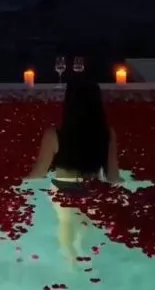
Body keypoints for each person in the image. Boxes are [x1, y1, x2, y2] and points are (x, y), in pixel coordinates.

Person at [26, 74, 120, 261]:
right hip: (92, 189)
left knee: (66, 222)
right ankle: (87, 260)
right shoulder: (106, 133)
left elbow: (38, 174)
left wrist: (16, 183)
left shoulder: (54, 134)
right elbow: (113, 176)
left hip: (64, 187)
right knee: (87, 230)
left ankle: (70, 262)